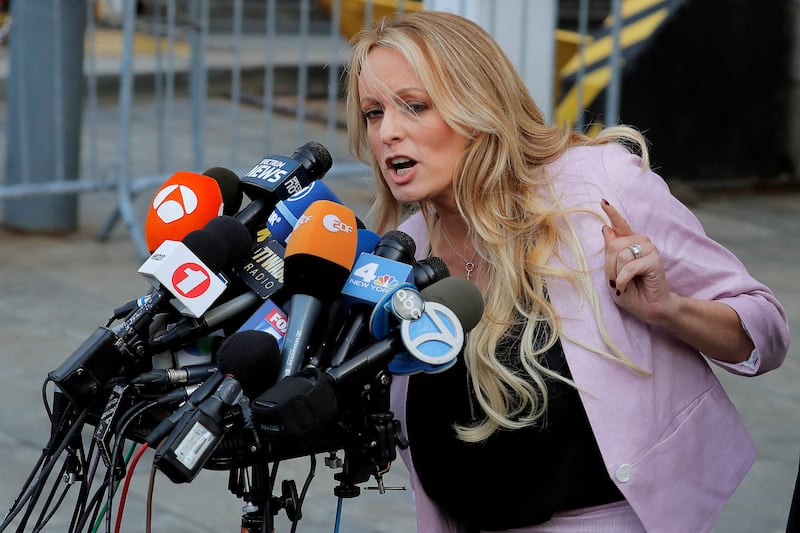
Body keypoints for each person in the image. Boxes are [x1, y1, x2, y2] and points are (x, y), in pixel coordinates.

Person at [343, 10, 790, 533]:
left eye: (414, 106)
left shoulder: (596, 187)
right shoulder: (401, 253)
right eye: (373, 114)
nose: (388, 133)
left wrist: (668, 309)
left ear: (477, 104)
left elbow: (765, 330)